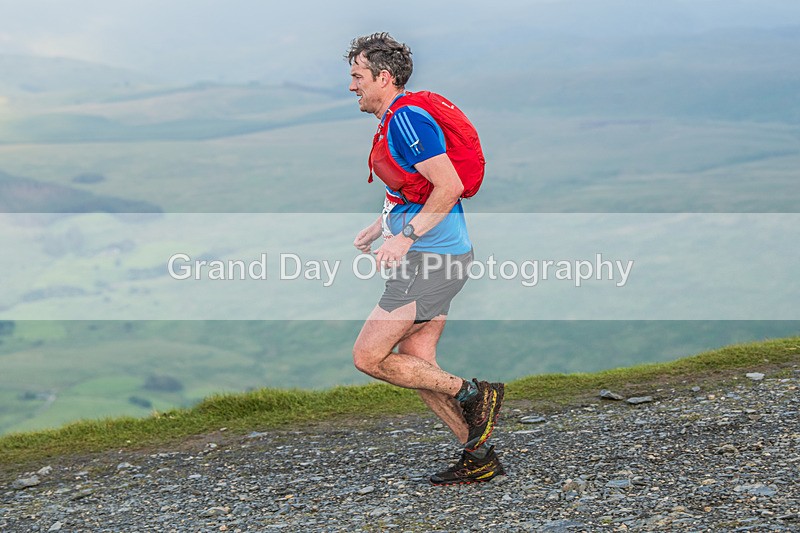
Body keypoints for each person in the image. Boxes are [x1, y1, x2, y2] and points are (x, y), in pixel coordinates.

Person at [346, 32, 505, 485]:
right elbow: (411, 187)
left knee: (368, 356)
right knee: (417, 361)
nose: (352, 86)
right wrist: (382, 225)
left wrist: (405, 237)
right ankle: (478, 455)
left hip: (431, 260)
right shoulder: (397, 118)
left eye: (358, 76)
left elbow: (448, 186)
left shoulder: (406, 120)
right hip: (436, 257)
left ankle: (474, 393)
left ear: (383, 77)